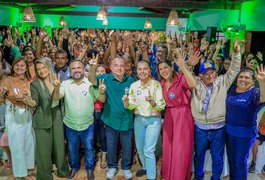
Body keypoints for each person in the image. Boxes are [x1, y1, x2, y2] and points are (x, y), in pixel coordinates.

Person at [191, 40, 242, 180]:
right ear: (200, 75)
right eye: (206, 73)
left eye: (212, 72)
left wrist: (236, 53)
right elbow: (184, 75)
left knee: (217, 158)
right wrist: (189, 64)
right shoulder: (195, 84)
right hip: (200, 128)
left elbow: (234, 69)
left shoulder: (222, 82)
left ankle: (215, 178)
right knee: (199, 156)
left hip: (218, 128)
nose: (210, 76)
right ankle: (198, 177)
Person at [52, 60, 106, 180]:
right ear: (70, 71)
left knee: (89, 148)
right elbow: (56, 97)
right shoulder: (65, 84)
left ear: (83, 69)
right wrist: (56, 88)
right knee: (72, 148)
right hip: (70, 125)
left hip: (87, 125)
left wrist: (102, 92)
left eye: (78, 68)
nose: (76, 70)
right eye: (73, 69)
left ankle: (89, 169)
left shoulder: (91, 84)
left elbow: (101, 100)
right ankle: (74, 167)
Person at [158, 50, 198, 180]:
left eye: (166, 67)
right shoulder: (162, 84)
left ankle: (179, 176)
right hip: (169, 116)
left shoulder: (180, 77)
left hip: (183, 116)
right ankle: (168, 174)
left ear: (171, 67)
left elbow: (193, 84)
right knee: (168, 147)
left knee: (181, 149)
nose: (163, 71)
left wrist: (183, 66)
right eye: (160, 69)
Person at [123, 60, 165, 180]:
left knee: (148, 149)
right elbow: (132, 105)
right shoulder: (134, 86)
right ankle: (146, 167)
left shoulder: (156, 84)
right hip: (139, 120)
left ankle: (151, 177)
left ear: (149, 70)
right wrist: (126, 103)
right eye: (140, 69)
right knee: (140, 148)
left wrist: (153, 102)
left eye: (145, 69)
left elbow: (161, 105)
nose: (142, 71)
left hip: (153, 120)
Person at [30, 57, 69, 180]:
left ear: (49, 67)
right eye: (38, 69)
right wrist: (28, 100)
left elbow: (58, 98)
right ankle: (44, 176)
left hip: (57, 114)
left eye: (43, 68)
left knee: (59, 146)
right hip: (42, 117)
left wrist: (57, 86)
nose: (41, 71)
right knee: (44, 150)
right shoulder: (35, 84)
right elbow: (34, 102)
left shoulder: (57, 79)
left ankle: (62, 171)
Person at [96, 56, 135, 180]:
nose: (119, 68)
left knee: (127, 146)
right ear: (110, 67)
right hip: (110, 120)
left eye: (122, 65)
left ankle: (126, 167)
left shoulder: (131, 80)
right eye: (116, 65)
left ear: (126, 67)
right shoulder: (105, 79)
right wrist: (93, 67)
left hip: (127, 121)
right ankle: (112, 166)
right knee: (111, 145)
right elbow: (91, 79)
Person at [226, 66, 265, 180]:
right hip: (229, 133)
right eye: (241, 77)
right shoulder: (231, 90)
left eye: (247, 78)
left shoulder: (255, 92)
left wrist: (262, 82)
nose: (243, 79)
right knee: (232, 161)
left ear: (253, 81)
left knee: (240, 162)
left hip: (245, 135)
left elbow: (263, 98)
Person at [0, 56, 35, 179]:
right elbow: (0, 99)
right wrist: (2, 94)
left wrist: (27, 99)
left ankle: (29, 167)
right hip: (13, 114)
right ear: (13, 66)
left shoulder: (29, 81)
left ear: (26, 68)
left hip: (27, 113)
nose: (19, 67)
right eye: (17, 65)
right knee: (16, 144)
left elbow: (33, 101)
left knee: (28, 141)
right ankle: (20, 173)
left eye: (22, 65)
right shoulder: (7, 79)